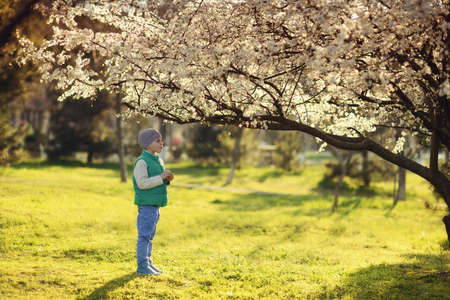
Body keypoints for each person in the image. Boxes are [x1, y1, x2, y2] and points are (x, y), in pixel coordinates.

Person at [133, 128, 174, 275]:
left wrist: (166, 179)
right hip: (146, 205)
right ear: (147, 144)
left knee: (150, 236)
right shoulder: (142, 162)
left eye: (161, 140)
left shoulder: (157, 160)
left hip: (155, 205)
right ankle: (142, 265)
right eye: (158, 141)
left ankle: (148, 262)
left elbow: (158, 180)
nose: (161, 143)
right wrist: (162, 177)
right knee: (144, 235)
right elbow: (142, 183)